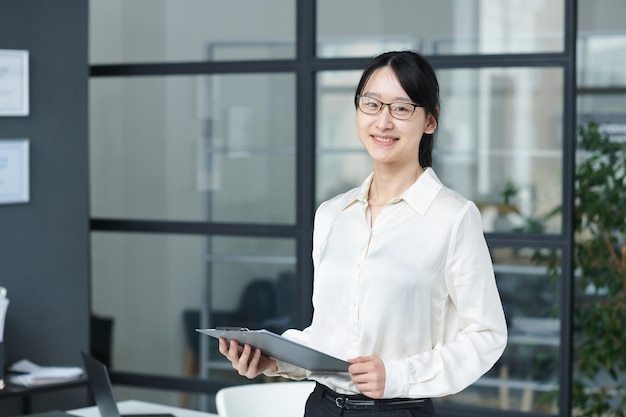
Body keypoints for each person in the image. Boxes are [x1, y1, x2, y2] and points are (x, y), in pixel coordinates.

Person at [219, 50, 508, 417]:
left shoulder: (453, 217)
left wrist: (400, 375)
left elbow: (487, 335)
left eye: (401, 108)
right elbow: (330, 336)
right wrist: (274, 359)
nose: (383, 121)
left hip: (398, 411)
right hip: (322, 407)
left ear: (430, 120)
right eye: (371, 104)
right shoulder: (332, 215)